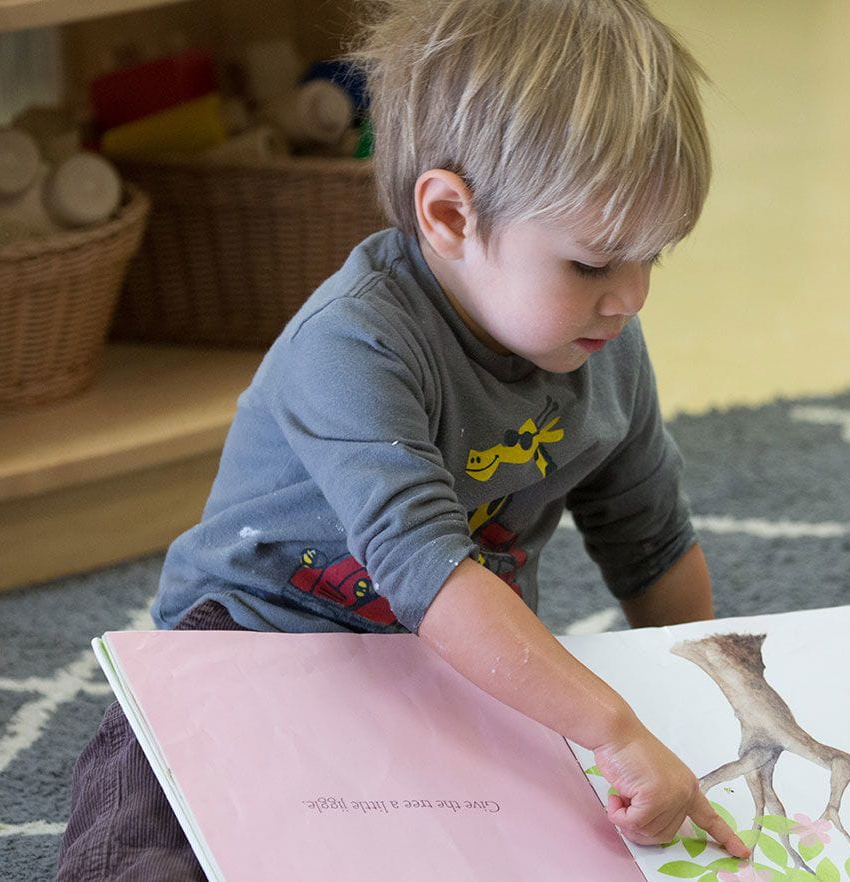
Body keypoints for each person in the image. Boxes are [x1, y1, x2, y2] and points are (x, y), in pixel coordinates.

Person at [57, 0, 750, 877]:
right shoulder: (352, 343)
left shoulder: (605, 348)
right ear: (451, 216)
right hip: (253, 638)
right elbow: (428, 568)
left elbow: (652, 544)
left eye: (656, 256)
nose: (631, 297)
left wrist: (695, 711)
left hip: (452, 665)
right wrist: (613, 726)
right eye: (592, 262)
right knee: (149, 812)